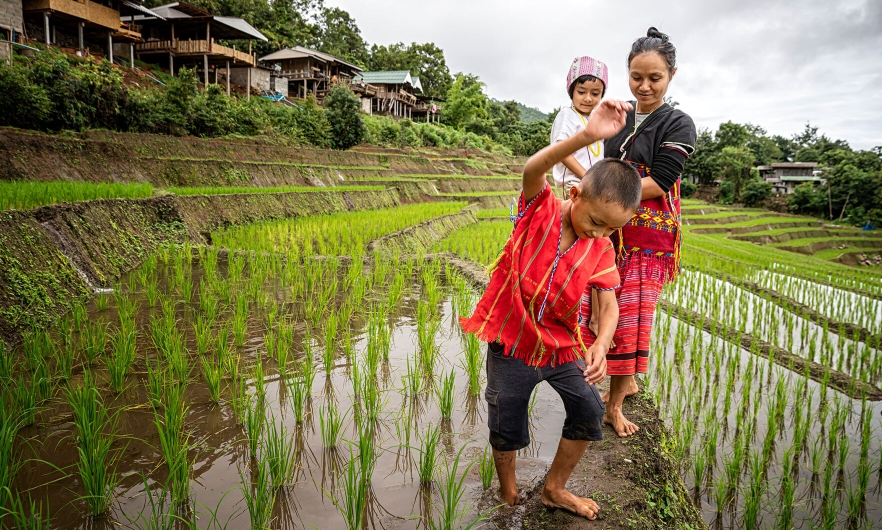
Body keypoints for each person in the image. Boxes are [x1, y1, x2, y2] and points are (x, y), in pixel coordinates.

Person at [460, 100, 642, 520]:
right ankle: (508, 493)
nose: (601, 233)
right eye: (596, 221)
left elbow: (609, 305)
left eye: (612, 229)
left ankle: (553, 489)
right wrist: (587, 137)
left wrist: (601, 342)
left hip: (560, 346)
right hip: (513, 342)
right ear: (575, 194)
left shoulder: (600, 248)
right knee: (506, 421)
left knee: (590, 409)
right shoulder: (539, 210)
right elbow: (532, 169)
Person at [581, 27, 697, 438]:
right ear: (627, 74)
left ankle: (613, 407)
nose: (644, 86)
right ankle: (617, 381)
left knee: (628, 319)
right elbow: (603, 161)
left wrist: (604, 201)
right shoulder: (620, 113)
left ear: (672, 75)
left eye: (655, 78)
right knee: (594, 309)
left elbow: (659, 183)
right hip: (609, 230)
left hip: (646, 239)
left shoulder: (679, 123)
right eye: (636, 77)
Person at [550, 56, 609, 196]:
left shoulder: (595, 120)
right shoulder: (567, 115)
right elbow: (562, 152)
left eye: (595, 93)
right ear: (571, 91)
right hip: (573, 188)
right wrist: (588, 177)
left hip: (591, 187)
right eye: (581, 92)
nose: (588, 98)